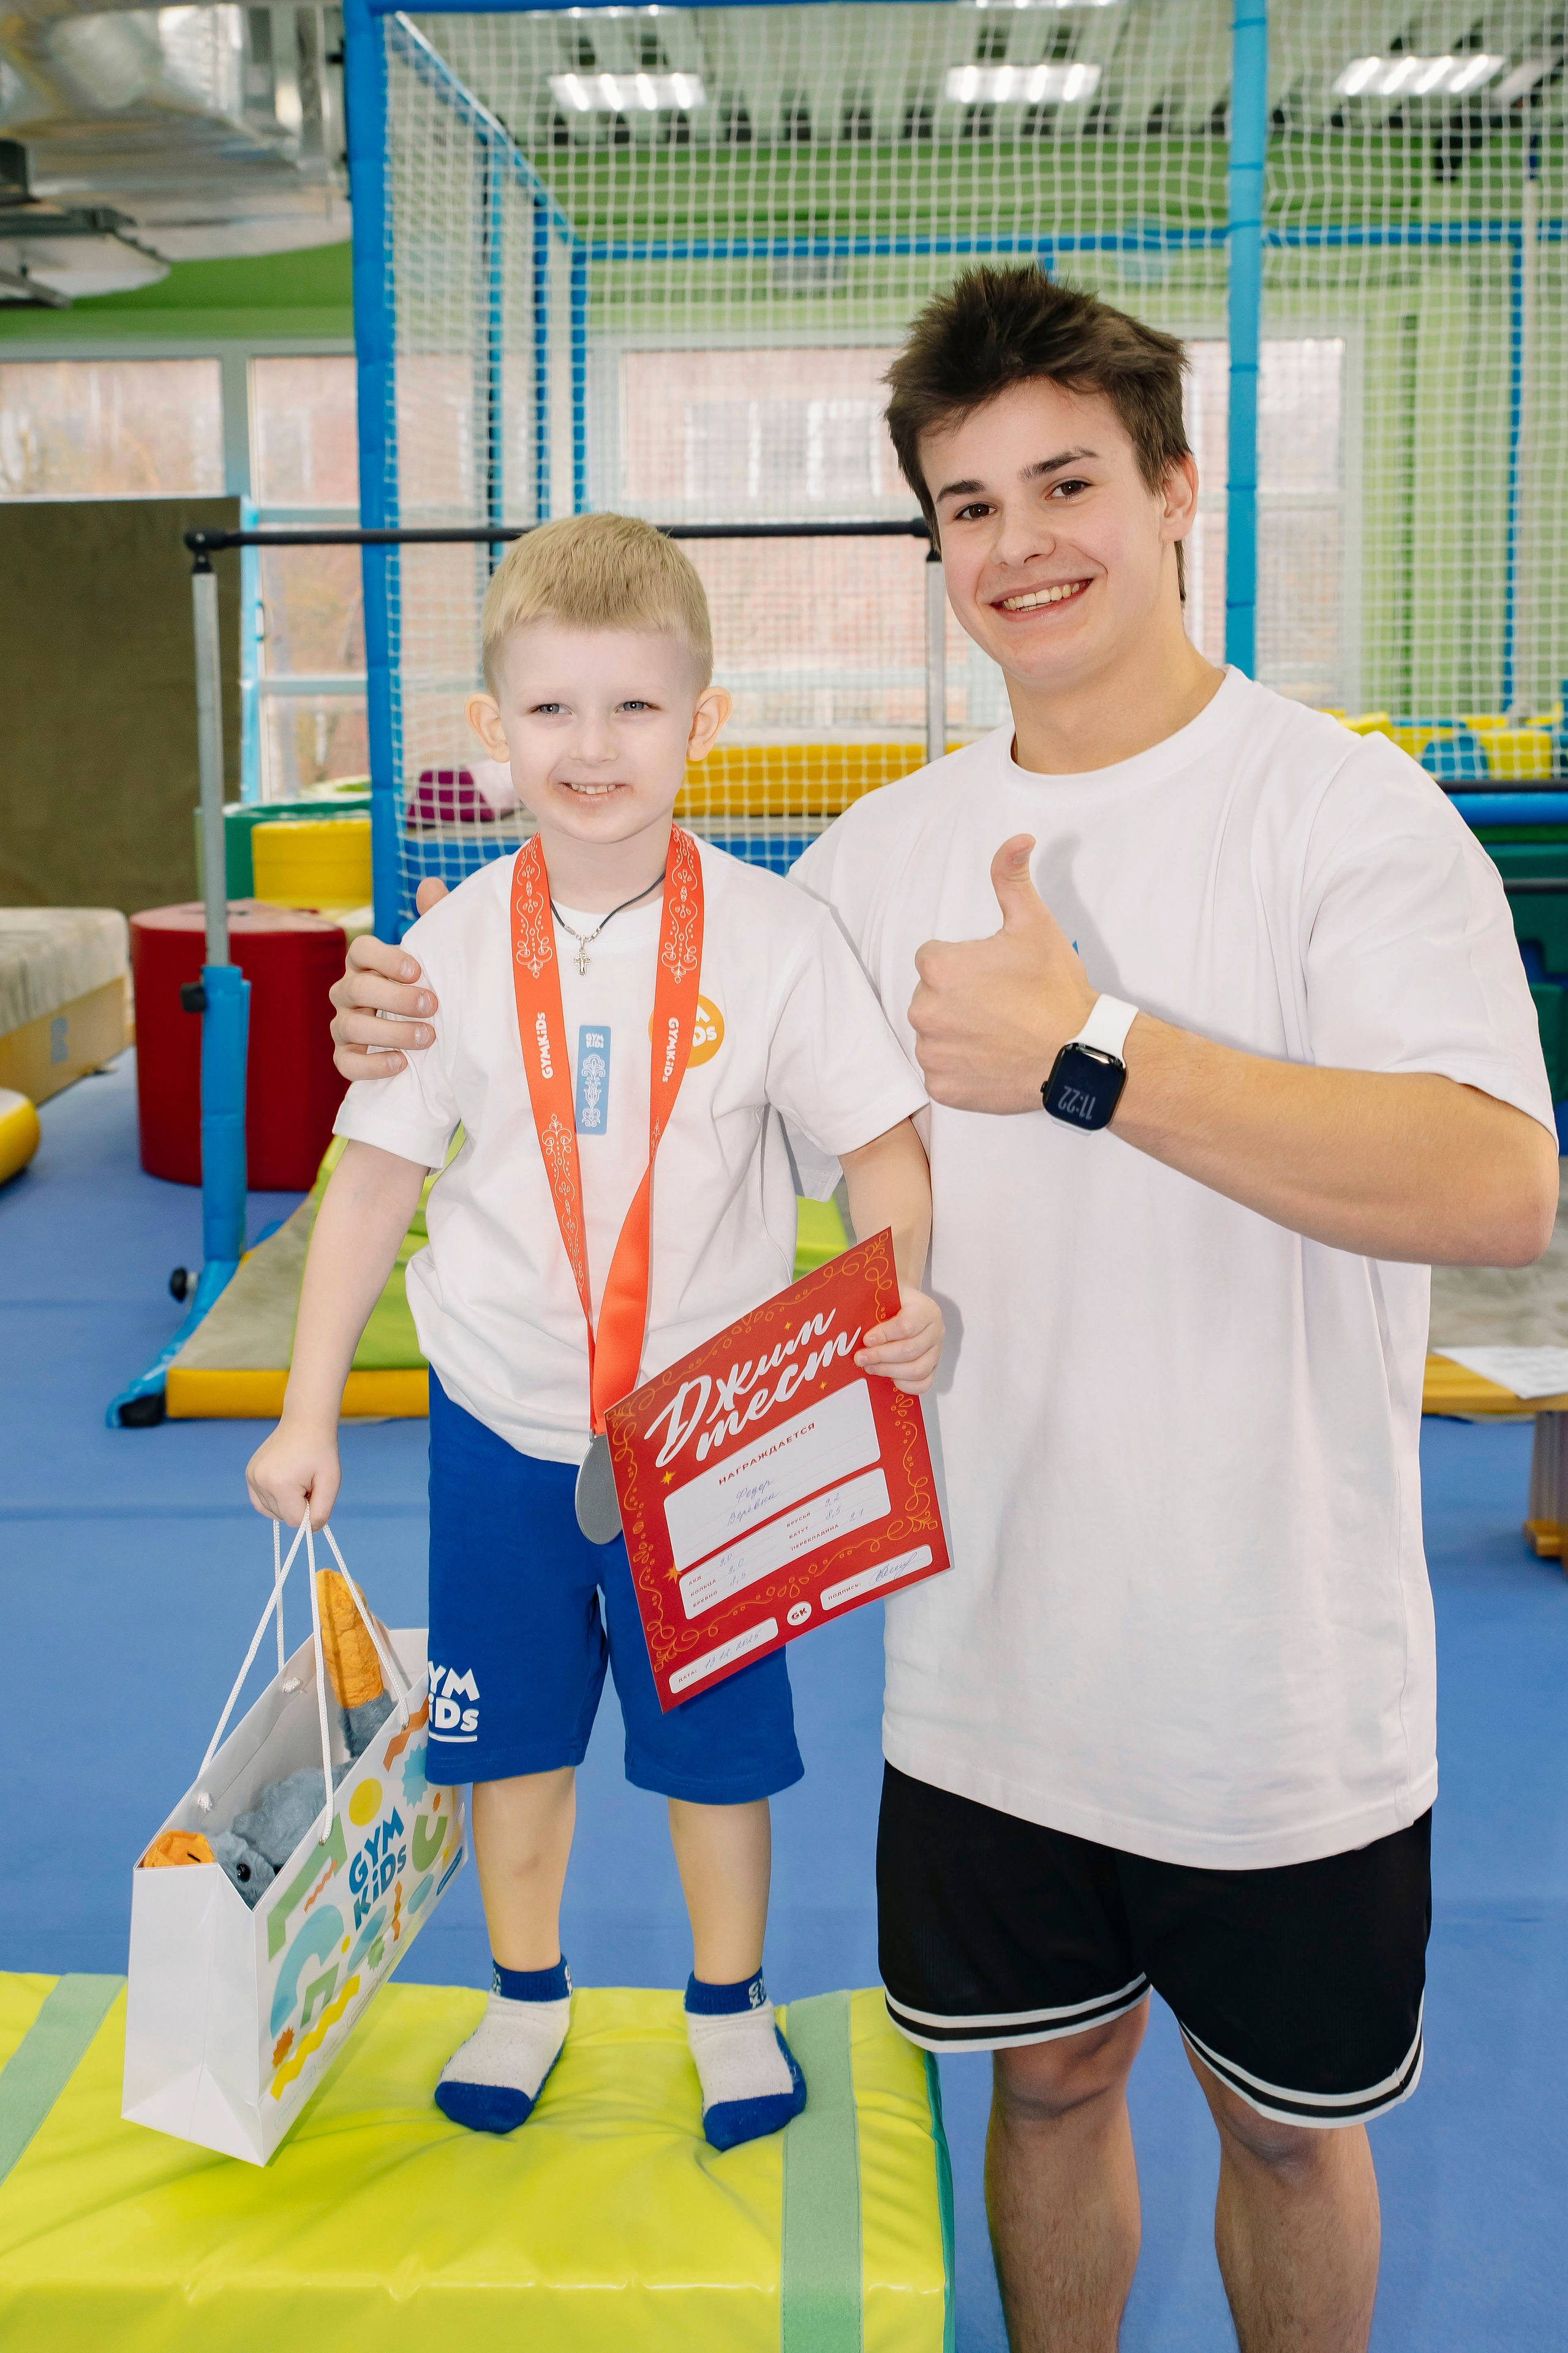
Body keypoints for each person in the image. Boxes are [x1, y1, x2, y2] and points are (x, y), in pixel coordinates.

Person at [326, 275, 1557, 2349]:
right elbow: (622, 1037)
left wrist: (1096, 1048)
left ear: (1177, 490)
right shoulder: (874, 862)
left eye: (1068, 483)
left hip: (1275, 1673)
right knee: (1046, 2083)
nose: (1020, 543)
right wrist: (407, 1024)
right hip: (984, 1660)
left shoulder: (1342, 810)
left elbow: (1503, 1183)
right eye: (970, 505)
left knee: (1284, 2135)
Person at [249, 513, 941, 2153]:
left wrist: (903, 1285)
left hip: (714, 1439)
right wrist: (305, 1409)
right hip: (500, 1428)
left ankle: (730, 2005)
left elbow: (883, 1146)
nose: (593, 746)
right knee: (509, 1746)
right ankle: (526, 1991)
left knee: (721, 1758)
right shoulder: (446, 952)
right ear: (490, 730)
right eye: (552, 708)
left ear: (706, 722)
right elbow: (371, 1184)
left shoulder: (776, 942)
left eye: (635, 706)